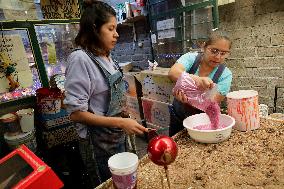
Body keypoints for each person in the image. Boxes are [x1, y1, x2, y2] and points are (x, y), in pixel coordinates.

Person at [63, 1, 148, 187]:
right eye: (111, 28)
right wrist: (120, 121)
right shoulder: (80, 59)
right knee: (107, 183)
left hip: (117, 133)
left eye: (116, 28)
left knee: (125, 180)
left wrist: (124, 115)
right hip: (97, 142)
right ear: (94, 28)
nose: (116, 34)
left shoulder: (107, 56)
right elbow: (76, 114)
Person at [168, 30, 233, 136]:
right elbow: (173, 73)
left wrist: (188, 96)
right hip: (179, 117)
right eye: (214, 51)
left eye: (223, 53)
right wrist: (196, 79)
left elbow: (212, 100)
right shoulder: (191, 58)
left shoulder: (225, 74)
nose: (218, 57)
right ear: (204, 47)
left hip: (204, 120)